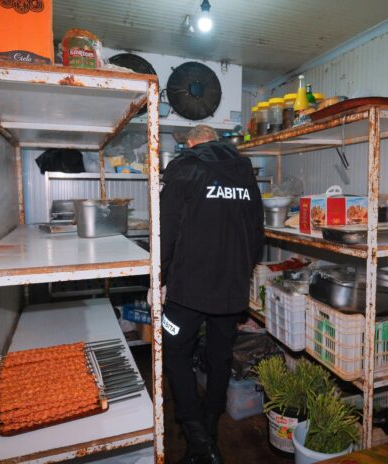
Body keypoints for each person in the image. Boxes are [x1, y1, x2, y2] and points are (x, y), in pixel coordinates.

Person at [160, 125, 264, 464]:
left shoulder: (183, 168)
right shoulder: (245, 172)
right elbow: (257, 233)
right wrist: (242, 271)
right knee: (220, 357)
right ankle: (209, 429)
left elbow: (166, 229)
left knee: (176, 351)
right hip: (231, 287)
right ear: (217, 142)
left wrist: (159, 276)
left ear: (190, 143)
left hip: (187, 289)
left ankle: (196, 436)